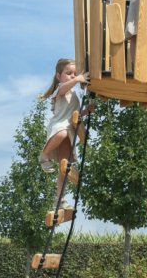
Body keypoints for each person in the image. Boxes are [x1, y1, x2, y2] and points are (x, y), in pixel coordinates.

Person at [39, 58, 93, 211]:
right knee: (61, 133)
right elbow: (63, 89)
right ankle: (44, 155)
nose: (72, 76)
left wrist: (86, 111)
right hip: (58, 128)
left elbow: (74, 114)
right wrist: (78, 78)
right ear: (58, 76)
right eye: (68, 73)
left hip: (68, 131)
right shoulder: (60, 91)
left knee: (65, 167)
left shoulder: (74, 96)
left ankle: (59, 200)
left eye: (74, 73)